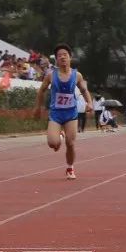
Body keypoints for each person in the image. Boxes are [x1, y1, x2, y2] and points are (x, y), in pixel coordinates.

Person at [31, 44, 95, 180]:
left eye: (65, 54)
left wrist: (89, 102)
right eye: (59, 55)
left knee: (70, 143)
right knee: (52, 144)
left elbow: (84, 90)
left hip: (71, 113)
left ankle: (70, 168)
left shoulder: (77, 75)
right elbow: (41, 90)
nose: (62, 57)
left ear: (70, 57)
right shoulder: (50, 76)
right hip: (56, 113)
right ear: (56, 60)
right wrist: (37, 107)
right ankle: (59, 136)